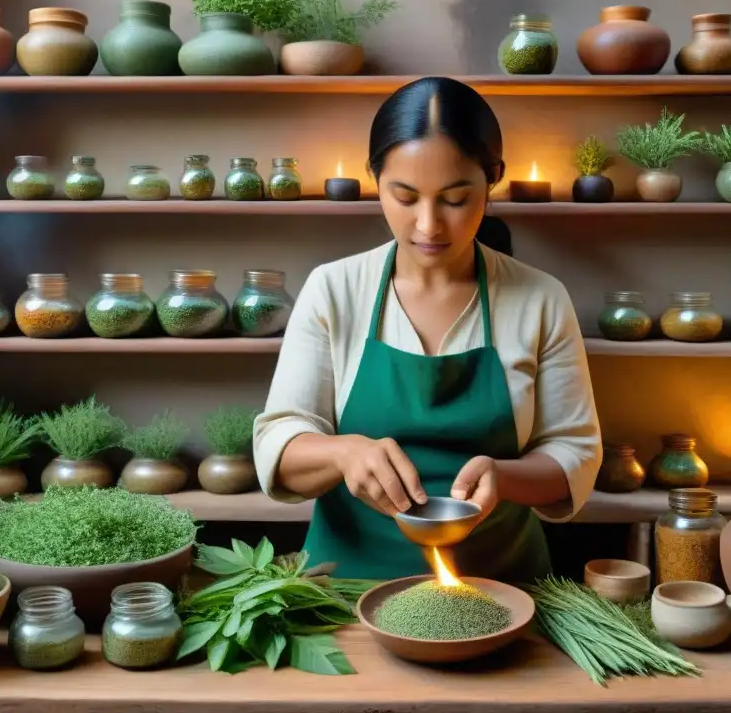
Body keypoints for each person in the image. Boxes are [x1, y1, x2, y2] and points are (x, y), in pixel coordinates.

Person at [253, 76, 602, 582]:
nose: (428, 225)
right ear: (375, 180)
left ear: (493, 179)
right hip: (344, 589)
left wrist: (505, 478)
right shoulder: (334, 289)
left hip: (501, 588)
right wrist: (344, 453)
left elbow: (576, 454)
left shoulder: (540, 298)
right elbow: (278, 443)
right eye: (405, 197)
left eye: (455, 199)